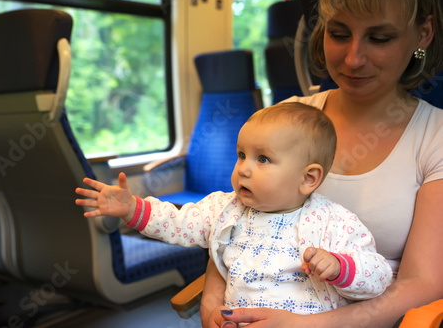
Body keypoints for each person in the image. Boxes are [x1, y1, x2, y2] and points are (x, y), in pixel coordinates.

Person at [200, 0, 443, 327]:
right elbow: (235, 225)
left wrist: (306, 325)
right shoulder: (284, 120)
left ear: (423, 33)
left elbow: (421, 284)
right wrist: (213, 307)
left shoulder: (435, 137)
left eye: (379, 38)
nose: (354, 59)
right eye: (339, 34)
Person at [76, 103, 393, 317]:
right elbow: (180, 221)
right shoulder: (225, 208)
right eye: (241, 155)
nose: (243, 169)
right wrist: (134, 209)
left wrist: (340, 267)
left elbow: (379, 276)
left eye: (263, 159)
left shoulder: (334, 223)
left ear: (308, 178)